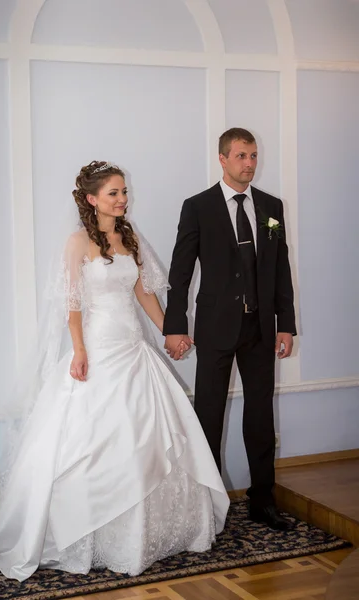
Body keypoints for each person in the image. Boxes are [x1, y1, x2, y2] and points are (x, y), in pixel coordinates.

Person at [0, 161, 229, 581]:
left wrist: (173, 332)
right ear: (92, 199)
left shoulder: (129, 238)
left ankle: (149, 535)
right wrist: (78, 350)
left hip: (134, 350)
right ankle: (90, 535)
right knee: (97, 444)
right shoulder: (77, 243)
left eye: (124, 191)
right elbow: (71, 303)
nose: (122, 199)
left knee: (148, 439)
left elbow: (144, 295)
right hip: (97, 349)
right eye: (113, 193)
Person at [163, 128, 296, 531]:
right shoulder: (198, 207)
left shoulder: (271, 207)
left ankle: (262, 500)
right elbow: (181, 272)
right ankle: (207, 506)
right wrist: (174, 325)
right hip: (216, 328)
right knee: (209, 417)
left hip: (260, 329)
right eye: (241, 156)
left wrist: (285, 325)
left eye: (253, 156)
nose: (249, 164)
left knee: (259, 417)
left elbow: (279, 269)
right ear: (222, 158)